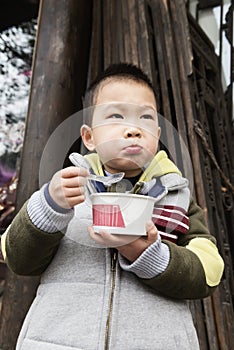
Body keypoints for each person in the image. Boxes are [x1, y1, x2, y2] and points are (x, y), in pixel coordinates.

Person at [1, 63, 224, 350]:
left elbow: (210, 273)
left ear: (157, 134)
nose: (133, 129)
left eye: (145, 118)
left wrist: (147, 254)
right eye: (116, 116)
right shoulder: (66, 191)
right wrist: (50, 205)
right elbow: (17, 258)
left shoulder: (176, 197)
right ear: (89, 137)